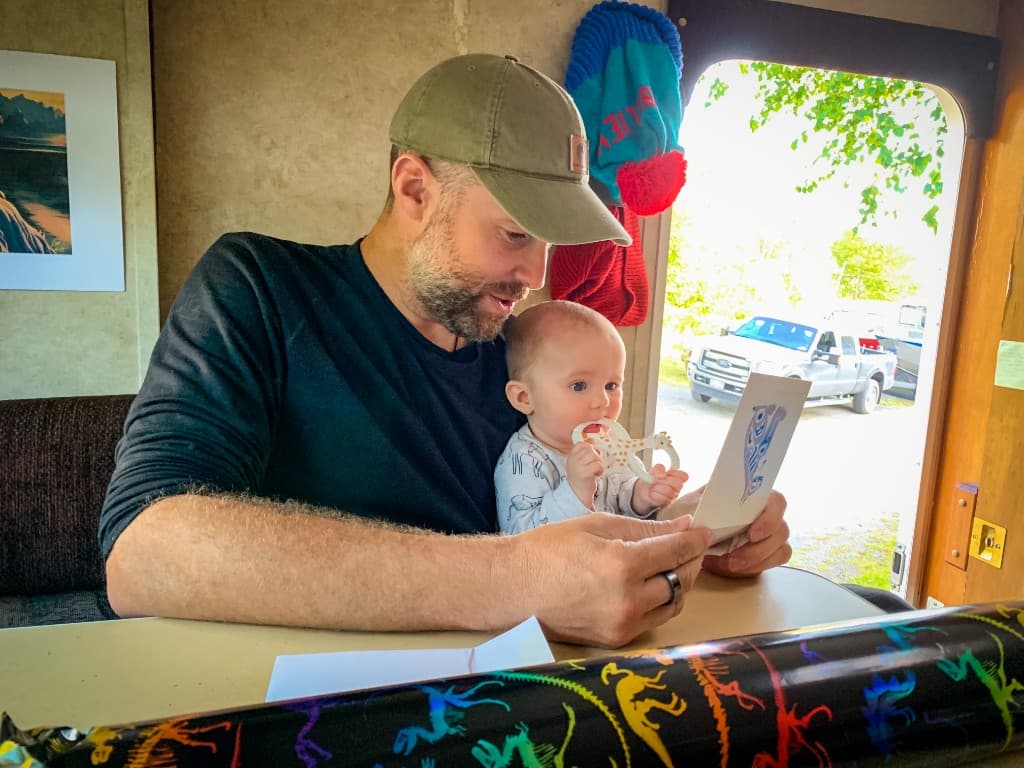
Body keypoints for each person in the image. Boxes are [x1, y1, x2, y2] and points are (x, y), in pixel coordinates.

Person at [100, 52, 792, 649]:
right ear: (414, 188)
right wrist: (513, 580)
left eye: (548, 243)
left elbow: (570, 516)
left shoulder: (525, 353)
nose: (536, 276)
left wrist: (682, 535)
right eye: (516, 234)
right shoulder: (258, 289)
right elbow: (142, 552)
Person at [495, 300, 688, 534]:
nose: (603, 401)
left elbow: (620, 495)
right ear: (524, 397)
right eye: (579, 386)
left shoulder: (608, 445)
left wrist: (642, 495)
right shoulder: (524, 459)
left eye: (611, 385)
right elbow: (521, 538)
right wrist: (575, 490)